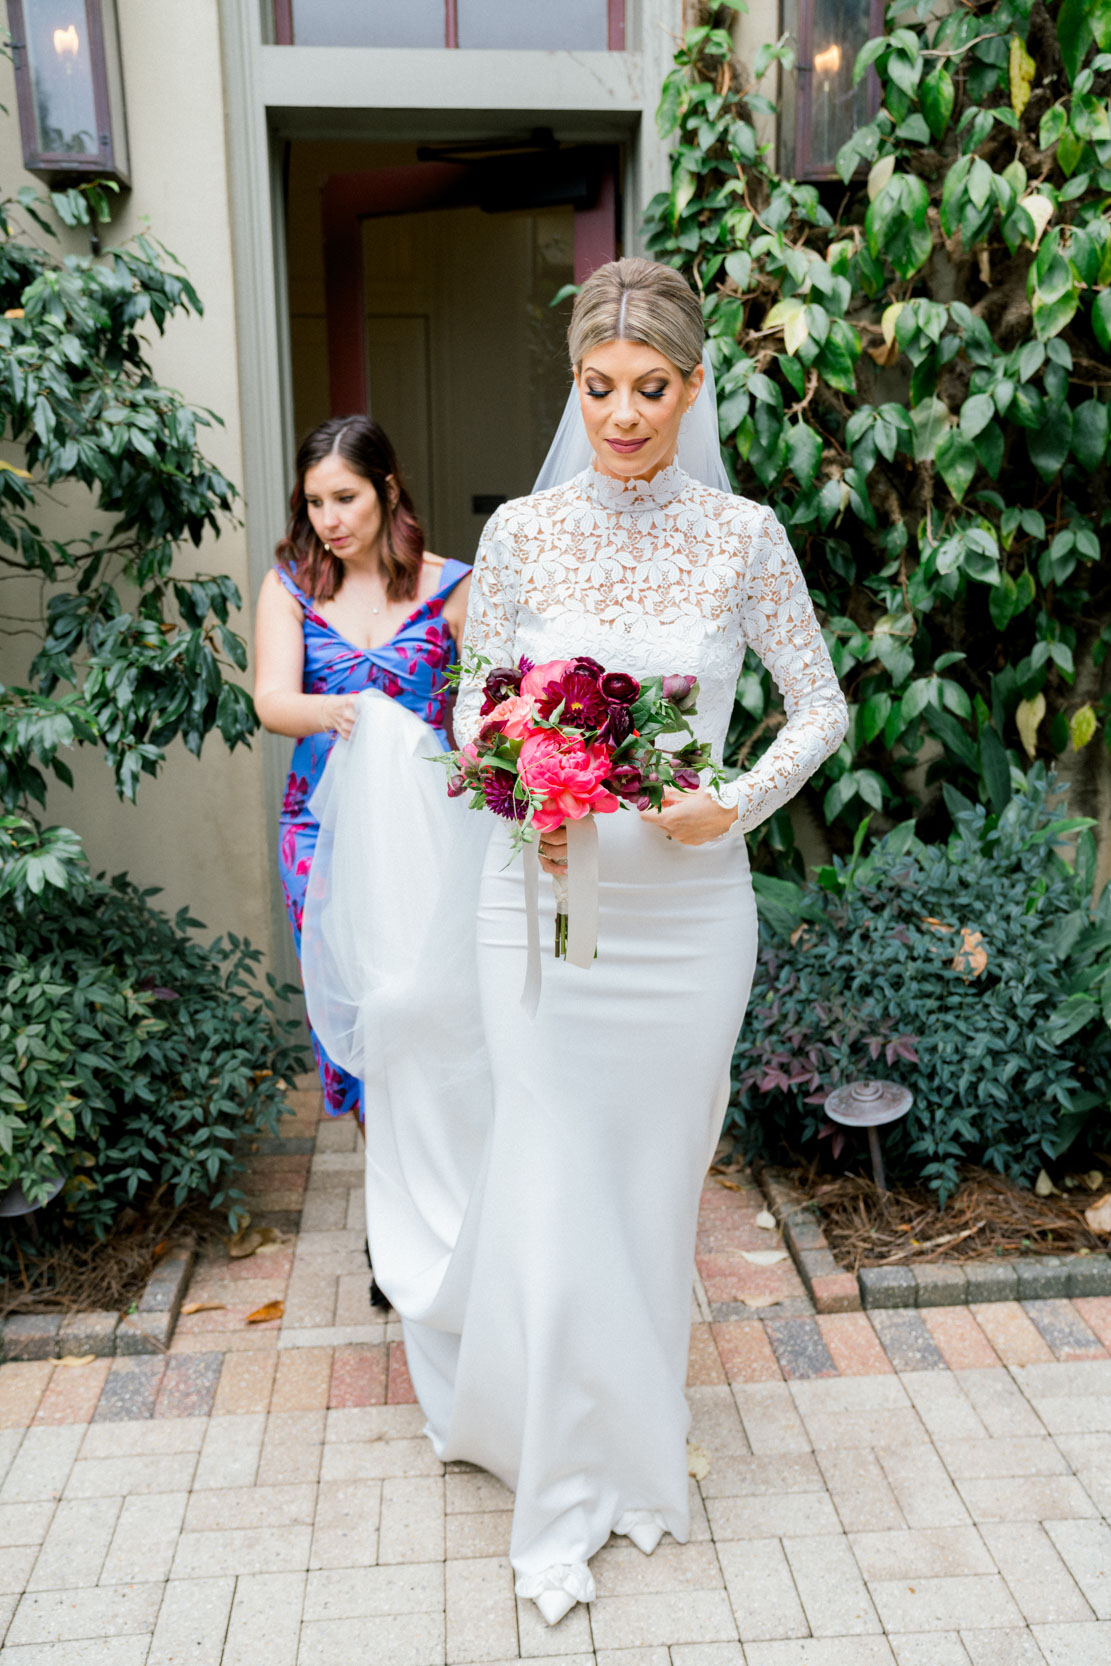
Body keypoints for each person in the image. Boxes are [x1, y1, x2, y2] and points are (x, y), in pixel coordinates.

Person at [303, 258, 848, 1627]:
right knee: (550, 1179)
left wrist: (737, 797)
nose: (620, 413)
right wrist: (514, 783)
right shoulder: (528, 537)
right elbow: (479, 712)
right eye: (597, 387)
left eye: (648, 388)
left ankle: (630, 1445)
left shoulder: (744, 538)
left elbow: (817, 708)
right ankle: (557, 1492)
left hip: (686, 916)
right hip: (536, 906)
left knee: (648, 1199)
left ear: (692, 386)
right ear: (574, 384)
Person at [253, 415, 470, 1120]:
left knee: (425, 996)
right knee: (352, 1001)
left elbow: (493, 711)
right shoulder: (290, 587)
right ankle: (390, 1204)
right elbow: (272, 702)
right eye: (314, 503)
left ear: (387, 488)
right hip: (319, 827)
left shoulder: (453, 588)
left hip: (425, 826)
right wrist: (334, 711)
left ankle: (445, 1179)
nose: (328, 520)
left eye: (344, 498)